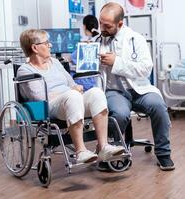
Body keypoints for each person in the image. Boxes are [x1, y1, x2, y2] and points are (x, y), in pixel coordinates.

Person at [17, 29, 125, 164]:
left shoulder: (55, 62)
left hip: (71, 99)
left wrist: (73, 89)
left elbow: (72, 84)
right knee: (72, 96)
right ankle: (80, 151)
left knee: (96, 93)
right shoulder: (25, 70)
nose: (50, 45)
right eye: (46, 43)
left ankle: (103, 147)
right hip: (50, 107)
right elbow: (40, 97)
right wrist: (69, 91)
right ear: (35, 48)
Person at [98, 2, 175, 171]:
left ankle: (163, 154)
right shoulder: (97, 42)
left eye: (107, 26)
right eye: (100, 23)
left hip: (140, 90)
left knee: (159, 107)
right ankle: (113, 155)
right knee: (119, 114)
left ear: (120, 24)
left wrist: (116, 62)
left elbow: (146, 68)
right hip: (114, 91)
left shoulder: (136, 39)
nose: (102, 28)